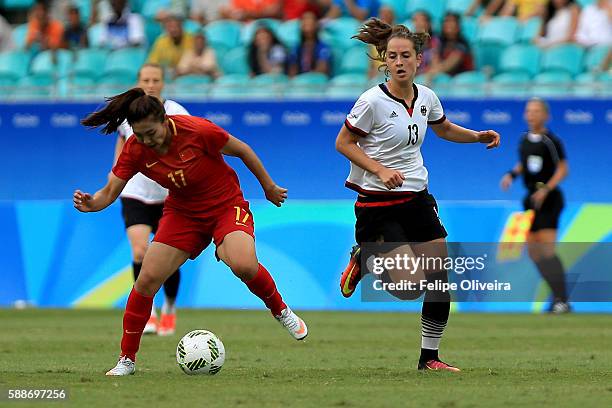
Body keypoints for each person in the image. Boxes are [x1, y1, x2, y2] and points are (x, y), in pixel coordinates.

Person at [76, 88, 308, 376]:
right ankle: (127, 360)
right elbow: (110, 191)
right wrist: (92, 204)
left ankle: (281, 310)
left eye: (151, 132)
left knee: (244, 265)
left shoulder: (198, 131)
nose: (147, 140)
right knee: (146, 279)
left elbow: (243, 150)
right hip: (183, 213)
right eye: (140, 134)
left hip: (225, 205)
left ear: (164, 120)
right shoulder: (136, 148)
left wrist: (268, 186)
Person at [335, 18, 500, 371]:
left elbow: (444, 129)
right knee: (409, 288)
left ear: (418, 59)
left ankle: (430, 359)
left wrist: (477, 137)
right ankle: (366, 258)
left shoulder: (426, 97)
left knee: (440, 274)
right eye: (392, 56)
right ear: (385, 61)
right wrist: (378, 170)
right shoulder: (371, 102)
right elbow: (343, 143)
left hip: (417, 197)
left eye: (405, 55)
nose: (398, 62)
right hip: (379, 204)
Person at [113, 63, 189, 336]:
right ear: (138, 81)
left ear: (163, 82)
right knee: (139, 252)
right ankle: (150, 312)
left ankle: (169, 306)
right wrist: (114, 181)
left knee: (167, 260)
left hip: (169, 195)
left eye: (156, 79)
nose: (151, 84)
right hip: (135, 192)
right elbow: (121, 149)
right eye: (146, 78)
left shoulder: (177, 112)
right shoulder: (127, 115)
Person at [500, 98, 570, 314]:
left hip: (549, 198)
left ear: (546, 115)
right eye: (529, 111)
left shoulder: (551, 141)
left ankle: (562, 299)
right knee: (534, 252)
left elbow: (563, 169)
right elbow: (525, 162)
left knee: (547, 249)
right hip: (530, 198)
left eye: (536, 111)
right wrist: (512, 174)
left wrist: (546, 189)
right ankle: (556, 297)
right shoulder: (524, 140)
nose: (531, 114)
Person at [288, 11, 332, 77]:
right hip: (299, 84)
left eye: (310, 21)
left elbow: (322, 70)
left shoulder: (323, 47)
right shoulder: (296, 48)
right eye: (304, 21)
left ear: (316, 24)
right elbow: (292, 71)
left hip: (317, 83)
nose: (307, 23)